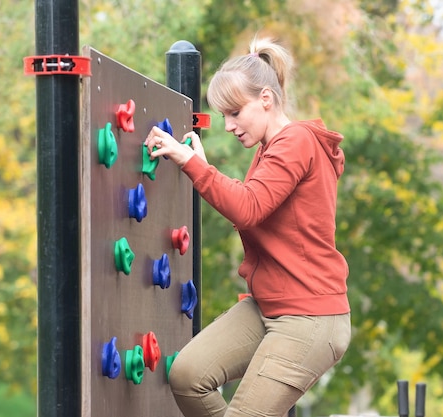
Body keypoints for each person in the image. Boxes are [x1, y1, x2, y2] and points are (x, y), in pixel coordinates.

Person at [145, 36, 351, 417]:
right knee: (188, 375)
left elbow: (249, 208)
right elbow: (253, 201)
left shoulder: (296, 142)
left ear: (266, 100)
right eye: (223, 115)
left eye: (235, 113)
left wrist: (193, 163)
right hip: (268, 306)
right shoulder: (269, 149)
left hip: (309, 317)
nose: (227, 125)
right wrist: (201, 165)